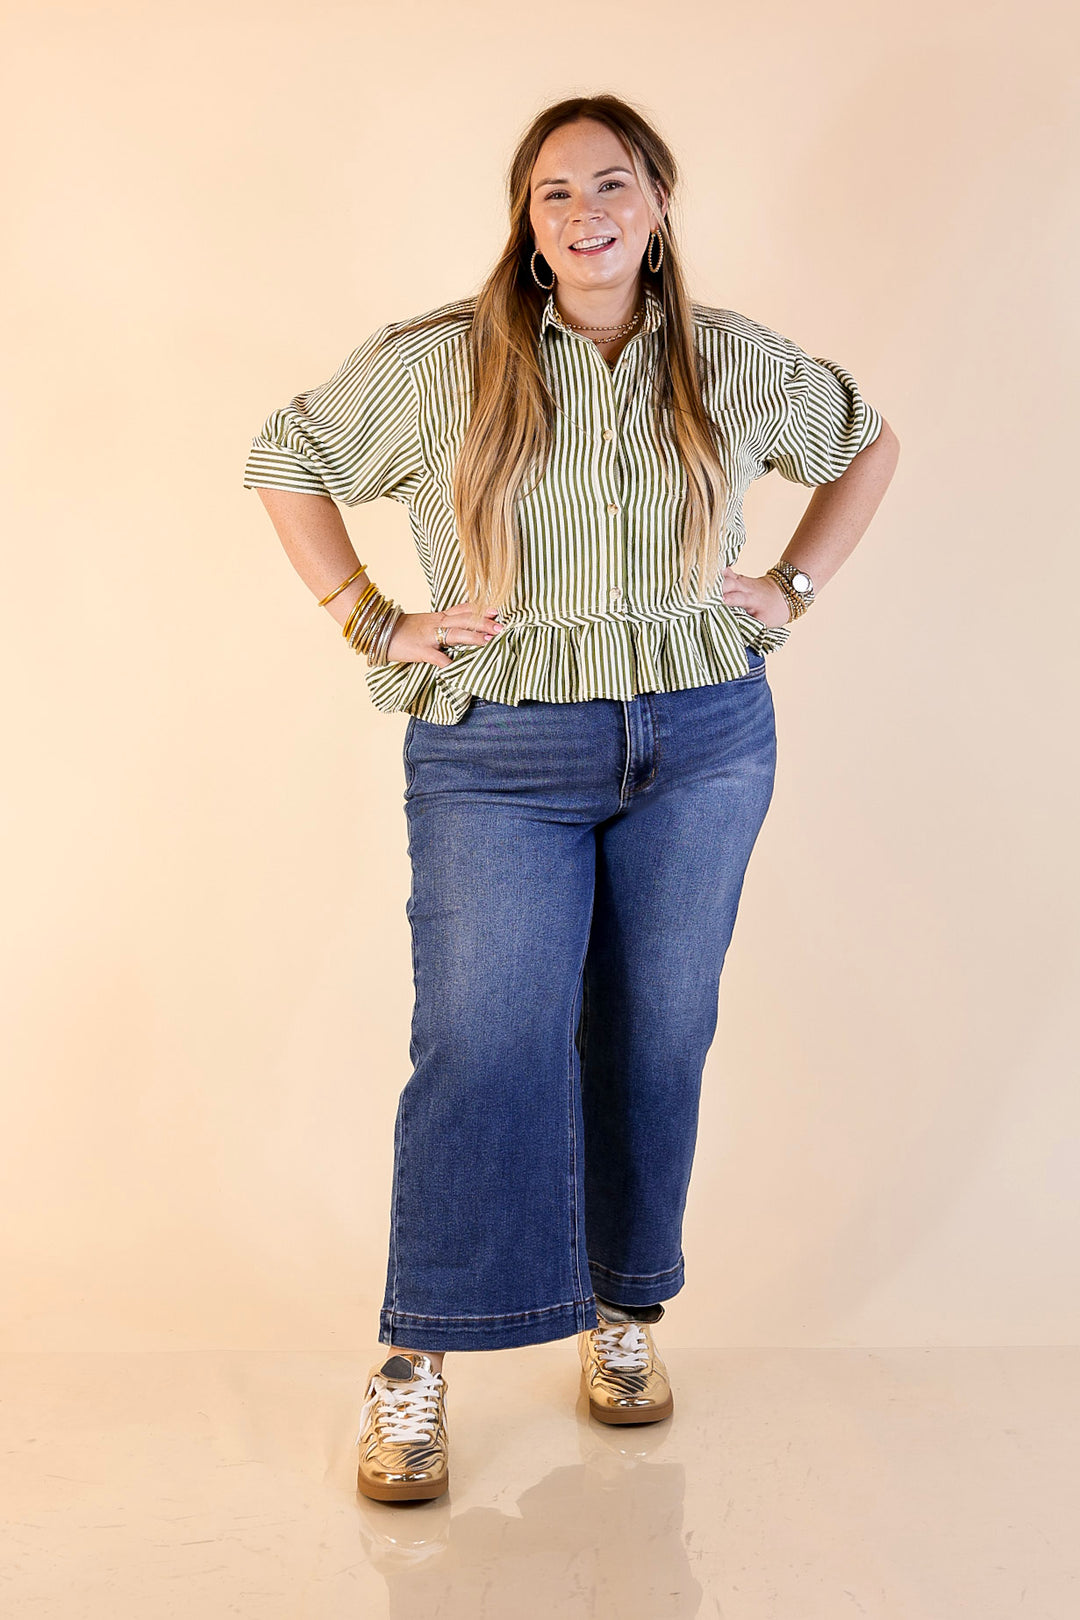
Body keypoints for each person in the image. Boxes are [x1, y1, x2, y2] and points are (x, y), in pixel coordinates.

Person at [243, 92, 900, 1504]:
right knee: (487, 1041)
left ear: (659, 201)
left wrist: (790, 586)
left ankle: (623, 1315)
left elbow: (866, 444)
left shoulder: (727, 363)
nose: (584, 211)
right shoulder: (443, 365)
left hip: (704, 738)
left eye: (613, 183)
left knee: (656, 1038)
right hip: (502, 754)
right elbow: (285, 460)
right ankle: (419, 1358)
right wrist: (370, 616)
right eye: (554, 192)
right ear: (526, 219)